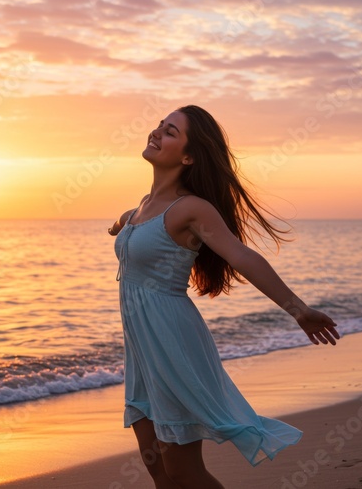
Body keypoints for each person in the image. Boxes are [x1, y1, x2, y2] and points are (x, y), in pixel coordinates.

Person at [107, 105, 340, 489]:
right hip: (141, 349)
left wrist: (298, 310)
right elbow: (127, 221)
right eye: (160, 126)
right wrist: (117, 226)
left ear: (188, 156)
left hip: (173, 341)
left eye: (170, 132)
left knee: (183, 470)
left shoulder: (192, 209)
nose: (156, 132)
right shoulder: (142, 208)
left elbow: (242, 255)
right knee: (157, 469)